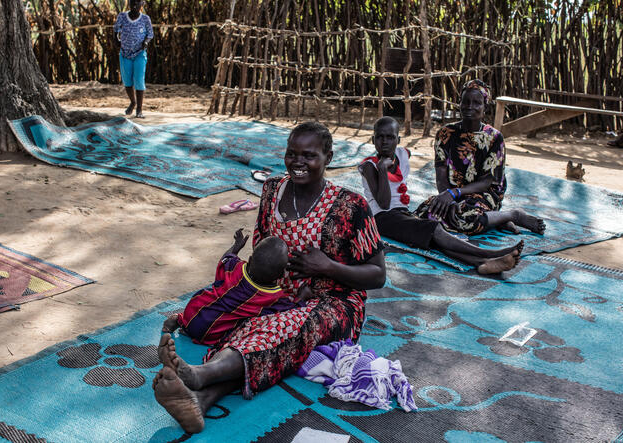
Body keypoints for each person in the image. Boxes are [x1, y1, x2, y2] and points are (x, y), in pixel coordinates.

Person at [153, 122, 386, 434]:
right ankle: (201, 400)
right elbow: (261, 254)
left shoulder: (350, 206)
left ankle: (201, 375)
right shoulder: (272, 190)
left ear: (328, 157)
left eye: (309, 155)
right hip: (277, 297)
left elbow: (378, 274)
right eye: (291, 154)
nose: (298, 162)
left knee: (281, 327)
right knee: (251, 324)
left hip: (336, 306)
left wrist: (327, 267)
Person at [360, 116, 523, 274]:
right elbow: (384, 204)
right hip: (381, 219)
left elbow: (406, 154)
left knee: (433, 241)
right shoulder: (369, 166)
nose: (385, 142)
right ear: (373, 140)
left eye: (390, 137)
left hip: (401, 213)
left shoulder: (401, 154)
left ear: (398, 140)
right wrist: (381, 169)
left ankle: (481, 264)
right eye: (380, 137)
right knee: (434, 229)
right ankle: (491, 254)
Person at [415, 79, 546, 236]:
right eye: (466, 102)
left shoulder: (494, 138)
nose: (470, 107)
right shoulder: (445, 134)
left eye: (476, 103)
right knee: (425, 214)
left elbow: (486, 182)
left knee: (467, 218)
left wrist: (455, 194)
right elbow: (441, 176)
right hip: (453, 193)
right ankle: (497, 221)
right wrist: (447, 198)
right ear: (459, 104)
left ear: (485, 107)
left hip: (484, 193)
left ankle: (513, 215)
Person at [162, 229, 300, 346]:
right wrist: (303, 296)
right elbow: (292, 311)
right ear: (282, 274)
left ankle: (180, 320)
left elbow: (226, 257)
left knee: (212, 299)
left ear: (250, 260)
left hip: (194, 309)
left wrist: (236, 246)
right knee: (244, 327)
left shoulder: (235, 266)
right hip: (212, 333)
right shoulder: (273, 298)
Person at [113, 0, 153, 118]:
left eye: (137, 2)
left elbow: (150, 34)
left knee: (139, 80)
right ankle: (133, 102)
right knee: (127, 81)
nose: (134, 5)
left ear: (142, 4)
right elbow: (116, 30)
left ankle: (139, 110)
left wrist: (145, 42)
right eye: (132, 2)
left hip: (139, 53)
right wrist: (116, 41)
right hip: (125, 53)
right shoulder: (122, 17)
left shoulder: (145, 19)